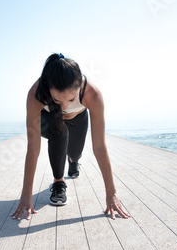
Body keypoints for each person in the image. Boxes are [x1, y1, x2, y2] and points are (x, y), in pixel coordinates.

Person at [11, 53, 130, 220]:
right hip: (49, 118)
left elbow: (100, 146)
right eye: (57, 100)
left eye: (71, 99)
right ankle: (59, 182)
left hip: (78, 118)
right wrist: (26, 193)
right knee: (59, 132)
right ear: (49, 90)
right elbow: (33, 147)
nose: (65, 106)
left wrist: (112, 193)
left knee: (75, 152)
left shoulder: (92, 94)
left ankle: (73, 161)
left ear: (80, 87)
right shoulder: (36, 93)